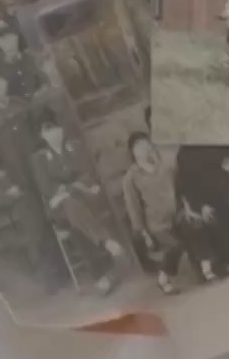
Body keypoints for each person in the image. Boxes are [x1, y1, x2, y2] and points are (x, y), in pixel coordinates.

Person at [30, 112, 124, 295]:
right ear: (42, 136)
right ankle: (105, 241)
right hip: (60, 206)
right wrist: (72, 186)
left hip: (84, 201)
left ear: (61, 129)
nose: (53, 133)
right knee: (72, 207)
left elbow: (87, 173)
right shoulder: (40, 158)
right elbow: (46, 187)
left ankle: (101, 276)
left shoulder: (75, 147)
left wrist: (73, 186)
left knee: (76, 224)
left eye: (55, 128)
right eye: (47, 130)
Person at [120, 132, 218, 293]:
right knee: (174, 246)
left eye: (146, 144)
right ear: (132, 152)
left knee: (195, 228)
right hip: (157, 224)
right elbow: (134, 208)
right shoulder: (131, 178)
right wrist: (143, 233)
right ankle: (163, 279)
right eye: (138, 146)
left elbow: (180, 188)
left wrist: (188, 208)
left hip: (177, 214)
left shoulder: (165, 166)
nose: (144, 148)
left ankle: (206, 271)